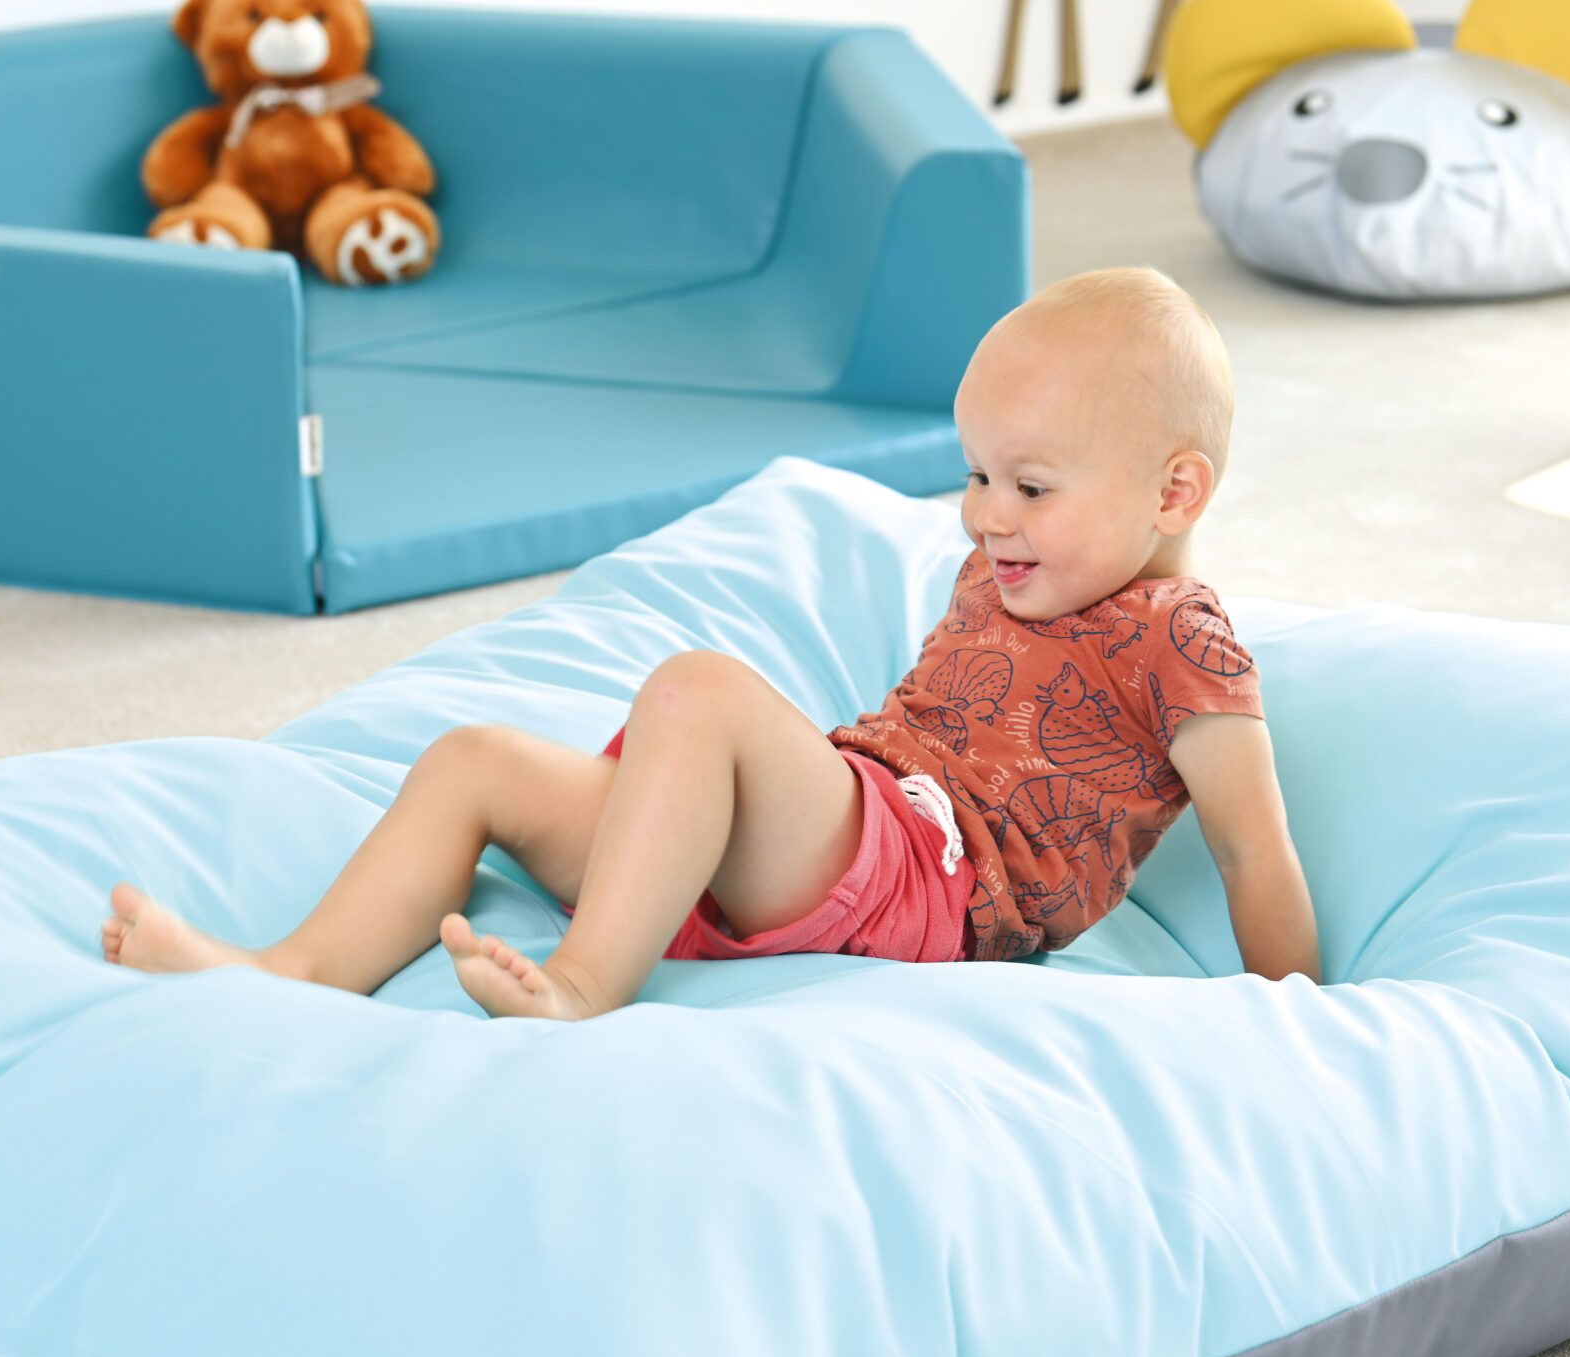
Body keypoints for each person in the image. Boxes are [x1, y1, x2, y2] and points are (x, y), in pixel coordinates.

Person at [101, 267, 1320, 1015]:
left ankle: (583, 983)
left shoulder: (1180, 638)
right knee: (476, 759)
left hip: (937, 890)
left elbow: (1252, 852)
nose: (985, 515)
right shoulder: (1004, 572)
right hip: (826, 836)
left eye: (1031, 487)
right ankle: (289, 974)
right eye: (975, 474)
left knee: (701, 689)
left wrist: (1300, 1027)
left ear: (1174, 492)